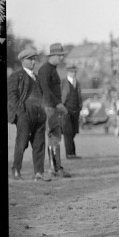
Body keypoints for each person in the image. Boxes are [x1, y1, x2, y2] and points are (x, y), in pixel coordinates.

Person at [8, 47, 50, 181]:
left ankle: (39, 172)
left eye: (34, 59)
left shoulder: (36, 77)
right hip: (25, 115)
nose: (33, 62)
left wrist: (43, 111)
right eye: (30, 59)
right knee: (21, 143)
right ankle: (16, 170)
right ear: (23, 61)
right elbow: (11, 95)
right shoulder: (16, 75)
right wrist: (21, 112)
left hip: (39, 115)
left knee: (39, 144)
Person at [37, 42, 72, 178]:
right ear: (52, 55)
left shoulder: (51, 68)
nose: (61, 58)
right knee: (54, 137)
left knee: (55, 137)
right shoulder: (45, 69)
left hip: (52, 107)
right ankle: (54, 168)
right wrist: (58, 104)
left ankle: (56, 167)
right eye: (59, 56)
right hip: (49, 108)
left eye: (62, 56)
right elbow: (46, 90)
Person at [61, 64, 83, 159]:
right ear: (68, 72)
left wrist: (80, 108)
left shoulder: (77, 83)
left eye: (75, 72)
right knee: (68, 132)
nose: (73, 73)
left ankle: (72, 153)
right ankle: (69, 153)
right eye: (71, 72)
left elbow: (79, 96)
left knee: (73, 131)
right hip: (66, 110)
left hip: (76, 110)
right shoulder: (62, 82)